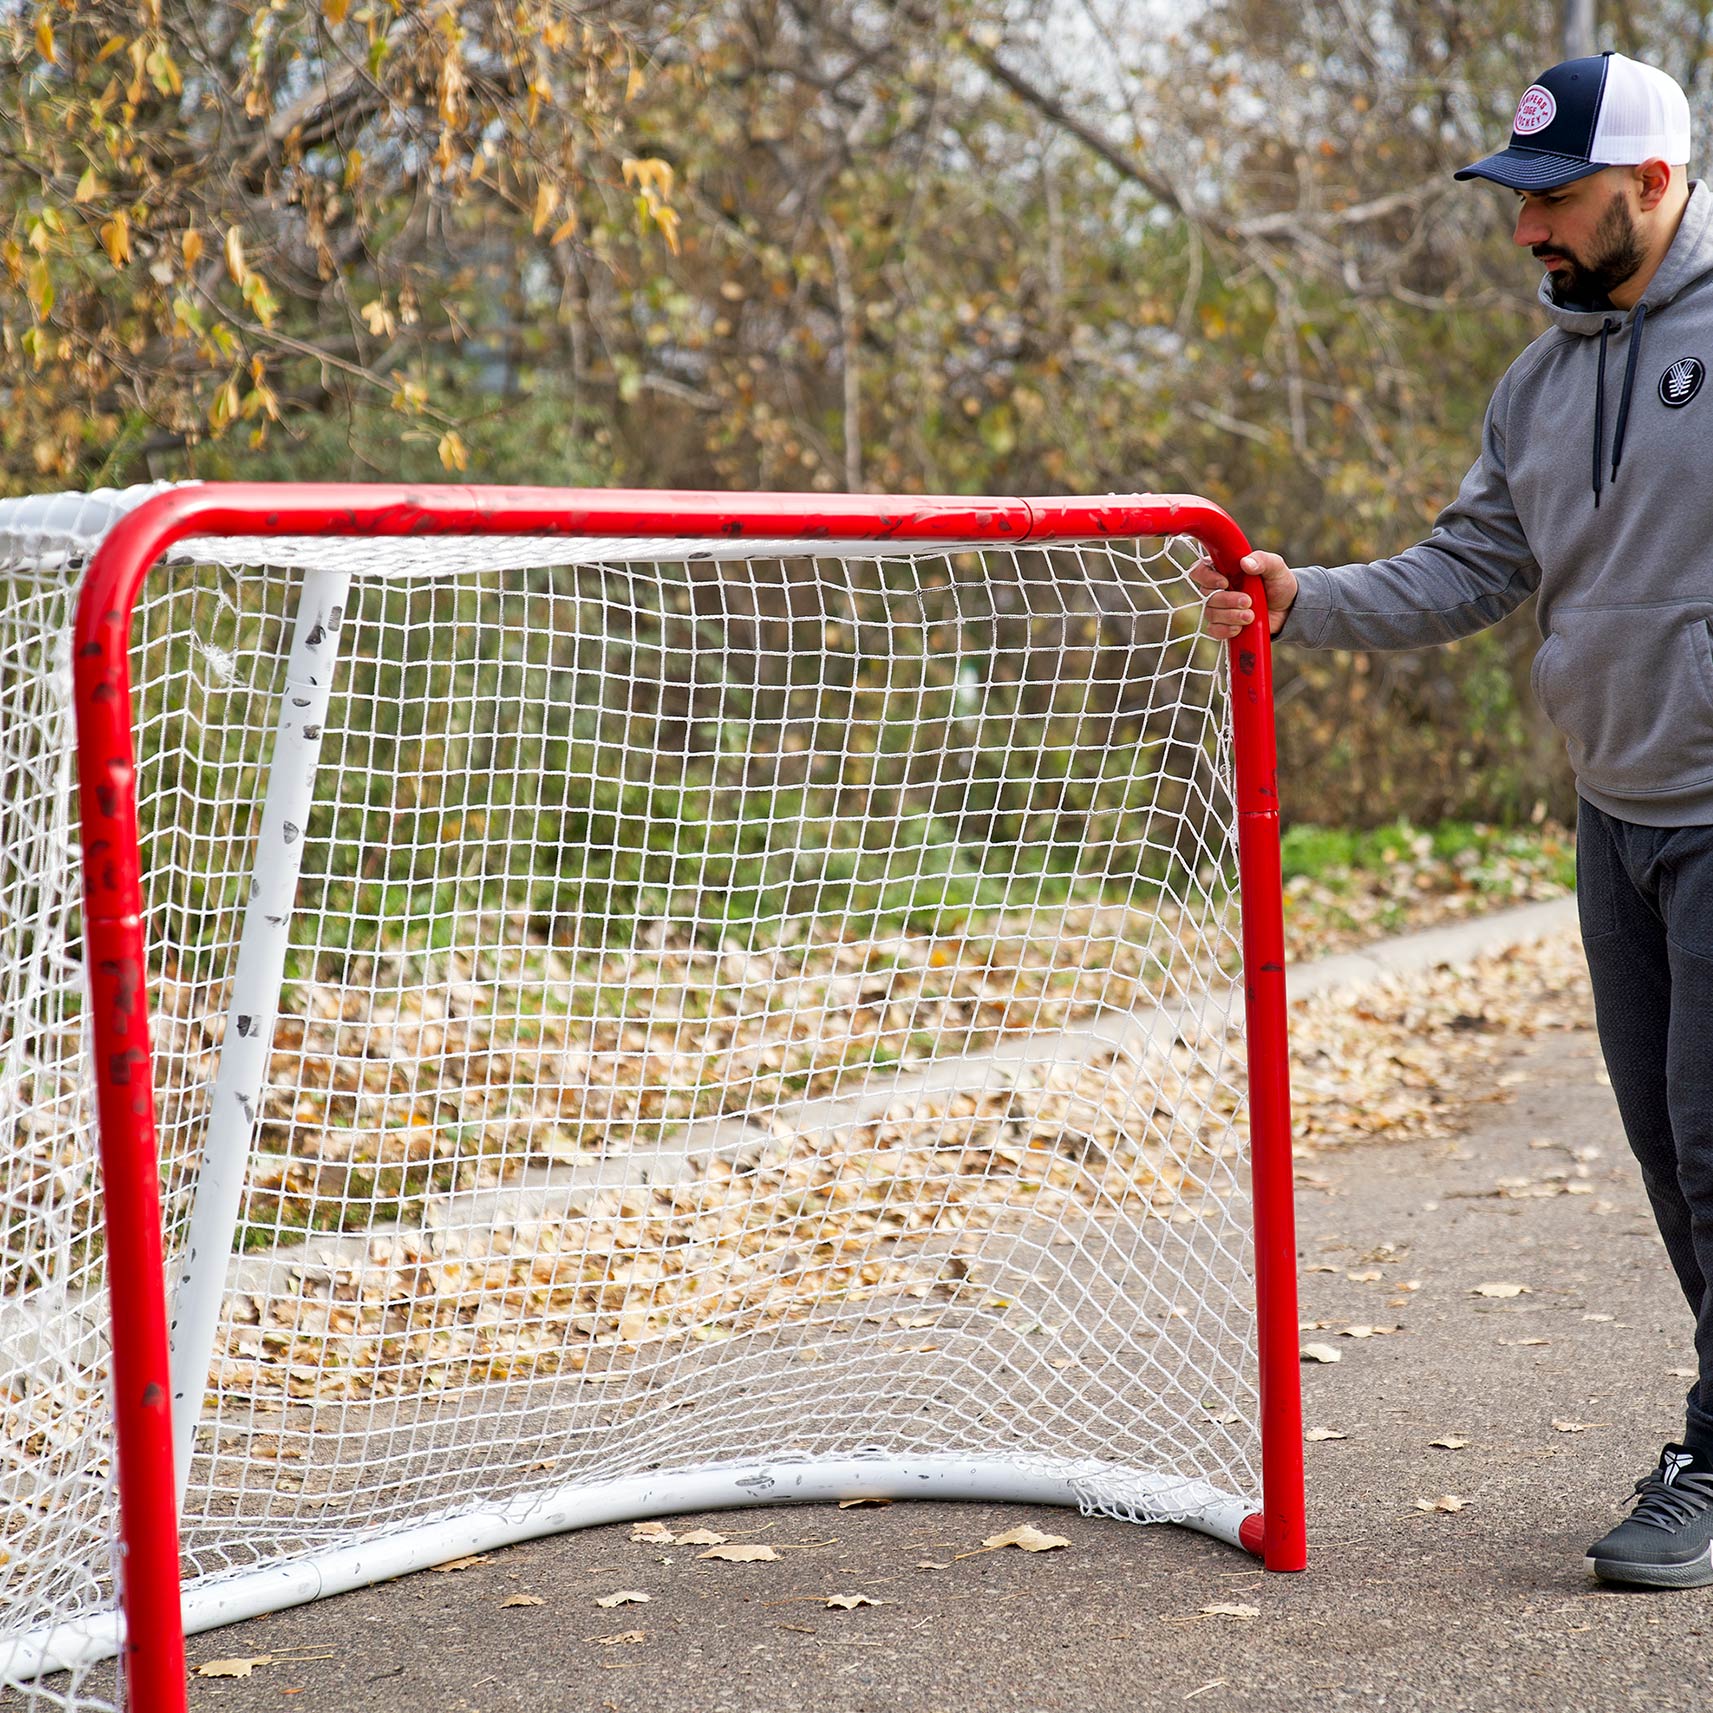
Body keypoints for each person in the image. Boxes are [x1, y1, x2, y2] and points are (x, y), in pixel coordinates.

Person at [1194, 50, 1713, 1588]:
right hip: (1613, 812)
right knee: (1667, 1156)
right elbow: (1470, 566)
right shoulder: (1537, 385)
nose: (1524, 230)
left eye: (1554, 199)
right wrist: (1300, 600)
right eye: (1517, 199)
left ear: (1651, 185)